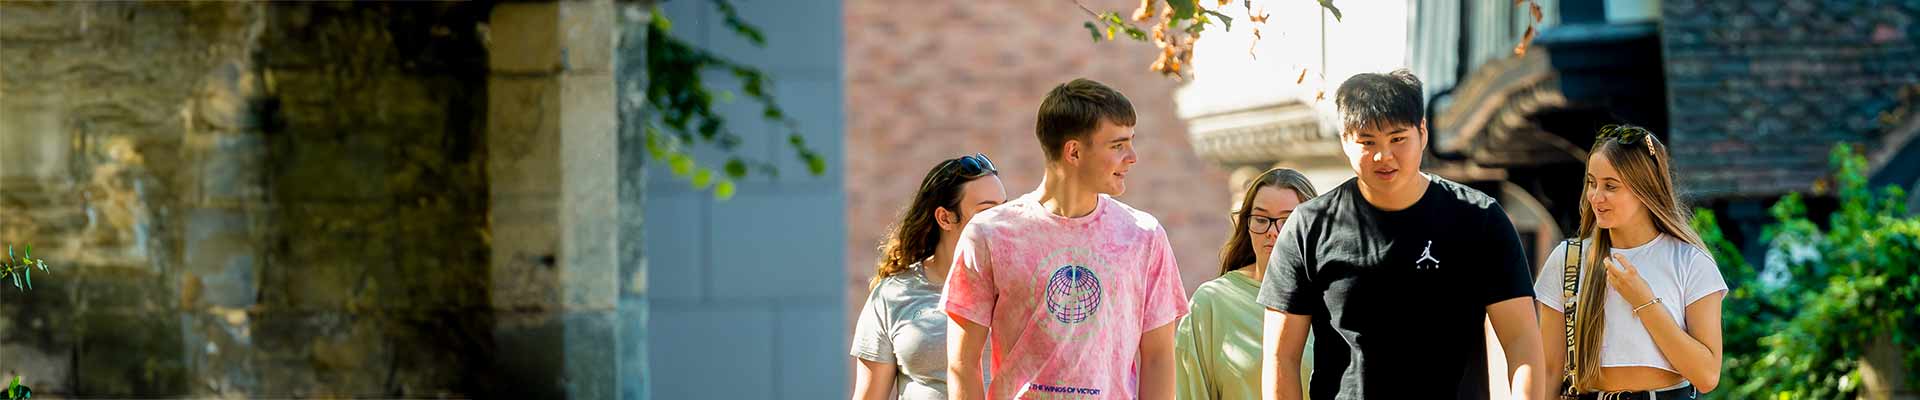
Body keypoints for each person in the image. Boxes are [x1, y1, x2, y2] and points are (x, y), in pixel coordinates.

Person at [1257, 69, 1548, 400]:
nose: (1384, 156)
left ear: (1422, 133)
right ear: (1344, 140)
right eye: (1367, 142)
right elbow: (1282, 356)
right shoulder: (1308, 226)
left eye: (1397, 138)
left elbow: (1522, 341)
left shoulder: (1479, 219)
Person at [943, 78, 1188, 400]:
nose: (1132, 157)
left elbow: (1158, 357)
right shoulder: (990, 233)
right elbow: (962, 363)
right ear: (1073, 151)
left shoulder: (1143, 235)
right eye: (1117, 145)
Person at [1534, 125, 1725, 399]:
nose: (1596, 197)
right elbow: (1550, 370)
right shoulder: (1567, 261)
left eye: (1611, 186)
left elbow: (1707, 376)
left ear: (1644, 189)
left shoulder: (1691, 262)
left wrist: (1644, 301)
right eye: (1592, 182)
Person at [852, 154, 1008, 400]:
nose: (1002, 222)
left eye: (1005, 209)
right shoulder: (893, 294)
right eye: (987, 211)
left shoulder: (1019, 286)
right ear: (945, 218)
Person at [1176, 168, 1319, 399]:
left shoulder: (1334, 299)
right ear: (1246, 224)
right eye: (1261, 220)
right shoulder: (1212, 303)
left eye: (1288, 220)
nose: (1273, 232)